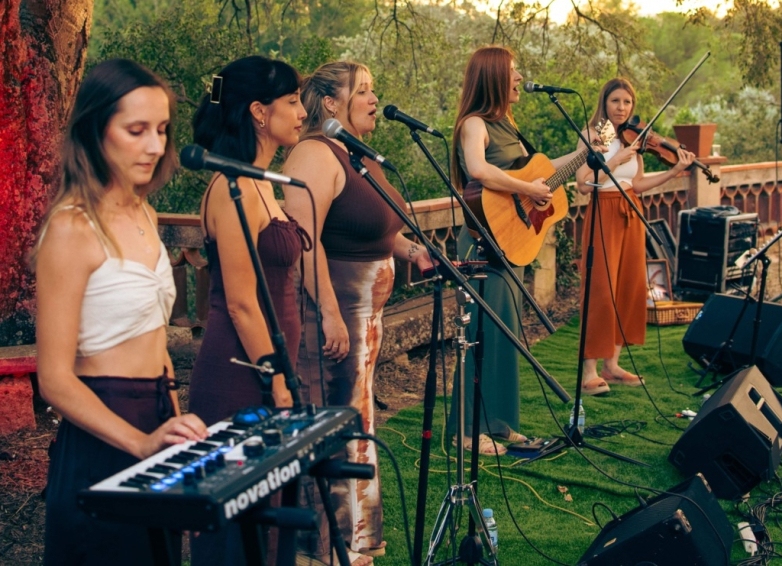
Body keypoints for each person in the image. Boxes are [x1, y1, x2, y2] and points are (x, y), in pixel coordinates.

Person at [34, 58, 209, 565]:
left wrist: (174, 429)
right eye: (136, 130)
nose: (155, 146)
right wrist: (141, 444)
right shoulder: (71, 228)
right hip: (102, 433)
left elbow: (157, 346)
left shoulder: (144, 213)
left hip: (156, 415)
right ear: (95, 130)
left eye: (161, 129)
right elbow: (55, 379)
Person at [281, 60, 433, 565]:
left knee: (356, 425)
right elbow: (306, 241)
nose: (373, 98)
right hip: (334, 320)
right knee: (333, 429)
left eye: (373, 88)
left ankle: (354, 544)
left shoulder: (355, 153)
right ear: (329, 103)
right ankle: (323, 550)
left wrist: (412, 251)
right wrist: (327, 312)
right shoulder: (314, 154)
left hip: (364, 319)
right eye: (362, 90)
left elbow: (375, 229)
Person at [187, 55, 310, 566]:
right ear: (260, 111)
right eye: (292, 101)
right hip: (241, 374)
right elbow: (240, 301)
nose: (303, 111)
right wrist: (276, 380)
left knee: (272, 516)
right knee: (238, 530)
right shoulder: (228, 187)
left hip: (277, 365)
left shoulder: (264, 180)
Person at [447, 45, 585, 456]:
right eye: (513, 71)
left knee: (505, 336)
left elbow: (540, 172)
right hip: (482, 242)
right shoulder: (474, 124)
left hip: (511, 241)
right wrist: (527, 189)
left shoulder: (507, 122)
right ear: (493, 78)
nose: (521, 77)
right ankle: (467, 432)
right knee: (480, 337)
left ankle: (501, 423)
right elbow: (478, 169)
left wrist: (585, 151)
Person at [574, 77, 695, 395]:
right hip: (604, 211)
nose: (622, 107)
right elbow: (583, 184)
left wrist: (672, 171)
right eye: (616, 101)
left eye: (627, 102)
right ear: (604, 102)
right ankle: (588, 373)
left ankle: (611, 365)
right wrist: (614, 159)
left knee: (628, 287)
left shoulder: (635, 139)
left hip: (631, 210)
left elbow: (636, 183)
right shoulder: (592, 136)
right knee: (600, 288)